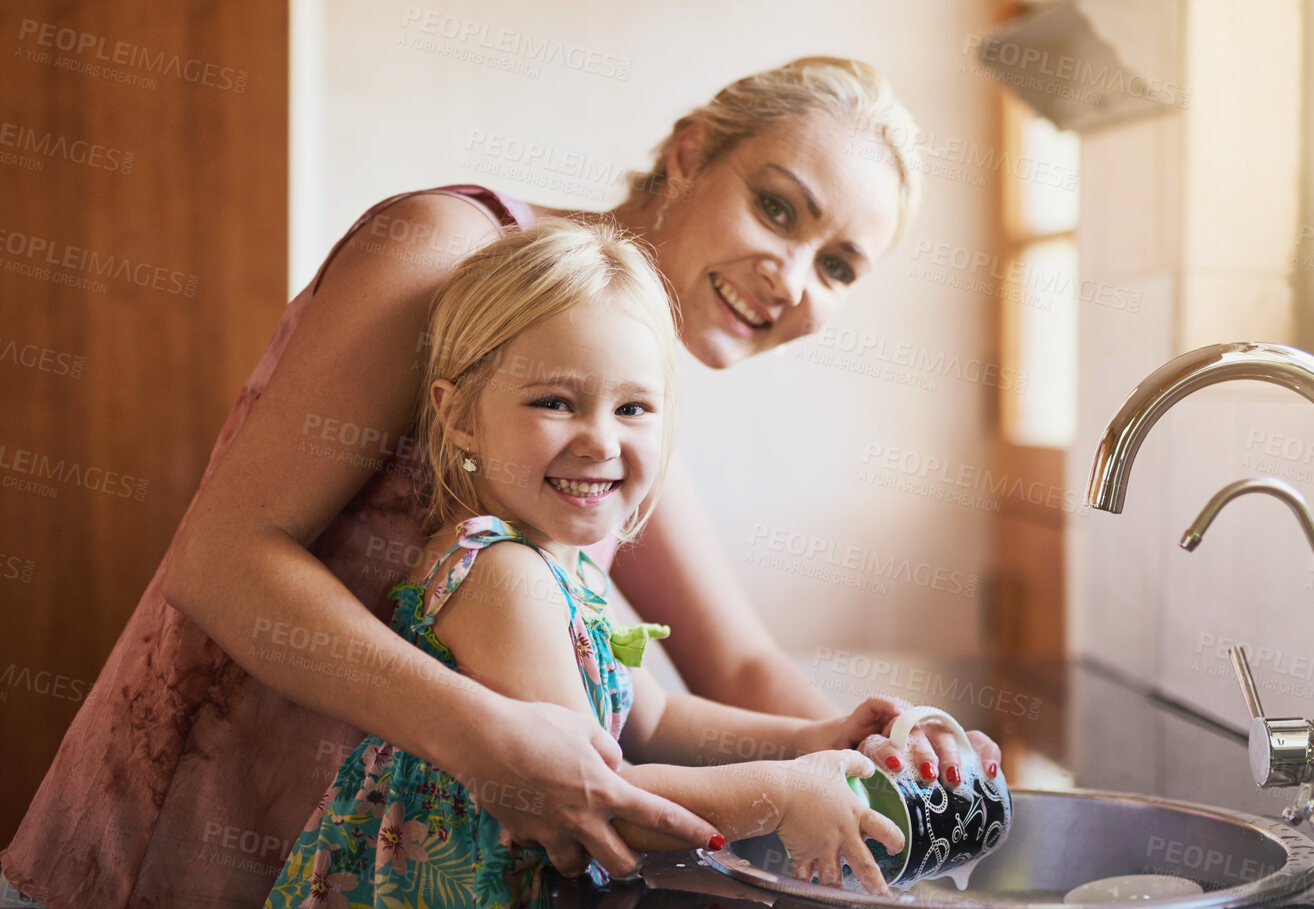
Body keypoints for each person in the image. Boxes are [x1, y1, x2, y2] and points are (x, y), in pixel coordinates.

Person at [2, 57, 995, 909]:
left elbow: (723, 674)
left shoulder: (604, 422)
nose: (791, 275)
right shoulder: (448, 254)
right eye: (777, 207)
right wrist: (493, 744)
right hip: (192, 849)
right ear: (690, 152)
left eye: (840, 266)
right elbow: (221, 560)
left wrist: (879, 756)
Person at [265, 219, 908, 906]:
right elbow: (610, 798)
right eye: (555, 401)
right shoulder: (501, 575)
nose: (601, 438)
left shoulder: (564, 568)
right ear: (459, 418)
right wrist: (777, 795)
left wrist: (814, 737)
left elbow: (655, 722)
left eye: (632, 407)